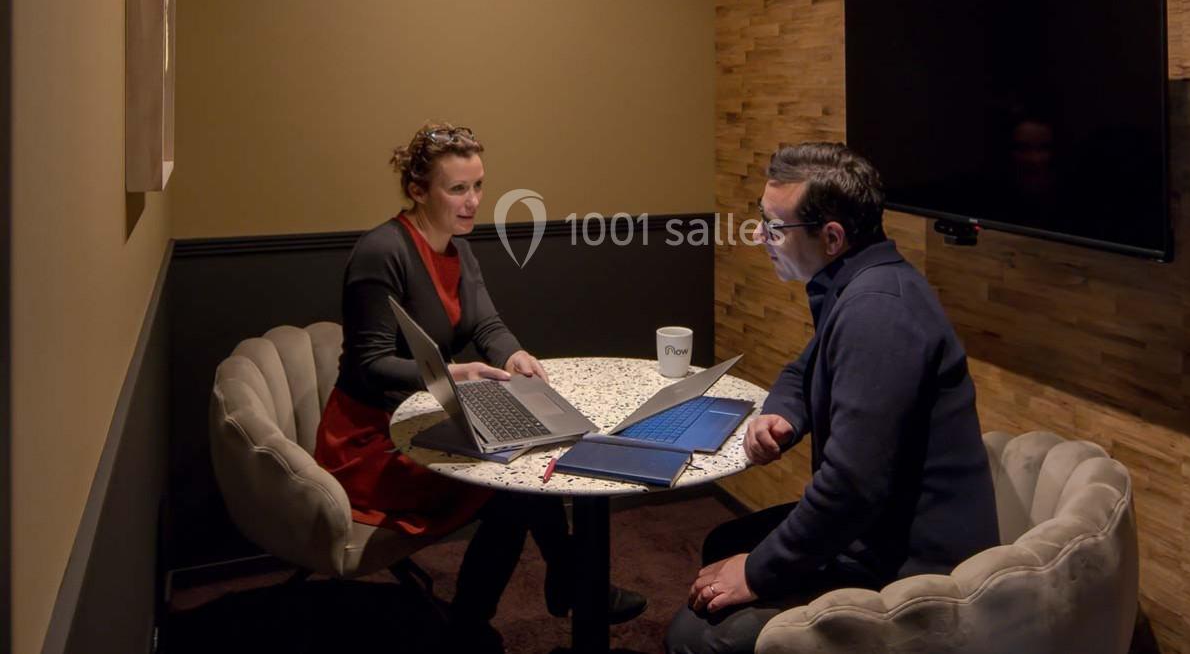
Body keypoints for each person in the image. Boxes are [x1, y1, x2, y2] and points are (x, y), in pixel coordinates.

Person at [314, 121, 645, 652]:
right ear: (418, 190)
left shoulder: (457, 248)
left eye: (478, 186)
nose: (472, 202)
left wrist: (513, 354)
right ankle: (495, 612)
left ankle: (540, 593)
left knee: (522, 465)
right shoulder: (382, 251)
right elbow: (369, 365)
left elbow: (487, 325)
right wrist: (451, 375)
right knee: (510, 487)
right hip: (374, 441)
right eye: (457, 189)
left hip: (424, 417)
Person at [666, 142, 1000, 654]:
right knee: (724, 544)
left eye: (774, 227)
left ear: (832, 237)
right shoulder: (862, 281)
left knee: (695, 637)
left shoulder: (877, 312)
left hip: (912, 572)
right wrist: (782, 415)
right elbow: (803, 369)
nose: (758, 236)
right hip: (876, 528)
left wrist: (756, 572)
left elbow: (850, 487)